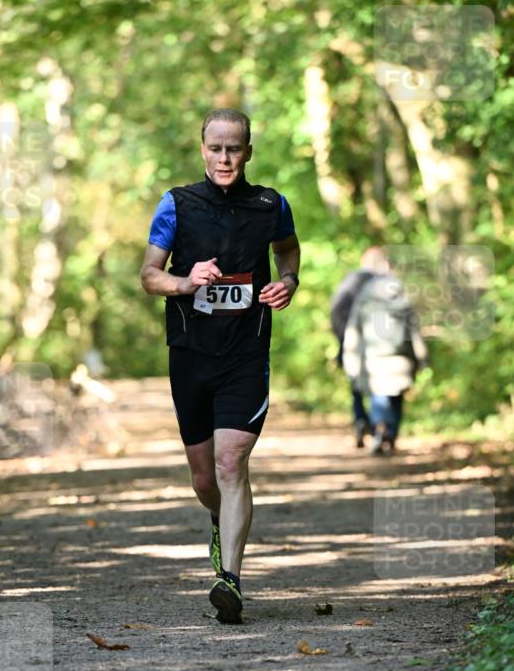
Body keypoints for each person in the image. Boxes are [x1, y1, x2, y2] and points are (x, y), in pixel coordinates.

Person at [140, 109, 300, 624]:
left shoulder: (270, 204)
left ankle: (229, 579)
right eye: (216, 148)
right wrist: (186, 281)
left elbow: (288, 253)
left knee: (233, 463)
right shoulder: (177, 204)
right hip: (190, 353)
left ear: (249, 151)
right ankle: (217, 517)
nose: (225, 158)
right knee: (205, 476)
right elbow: (148, 276)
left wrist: (288, 282)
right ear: (202, 149)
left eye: (235, 148)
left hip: (246, 352)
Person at [342, 263, 427, 455]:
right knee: (396, 397)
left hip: (373, 359)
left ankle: (379, 428)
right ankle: (392, 434)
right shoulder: (403, 299)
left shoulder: (364, 299)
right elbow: (414, 333)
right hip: (401, 359)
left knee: (378, 396)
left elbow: (353, 332)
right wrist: (422, 358)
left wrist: (350, 358)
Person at [330, 247, 390, 447]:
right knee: (378, 386)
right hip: (376, 345)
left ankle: (360, 419)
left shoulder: (348, 282)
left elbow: (335, 313)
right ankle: (376, 426)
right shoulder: (381, 284)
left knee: (356, 386)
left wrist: (343, 340)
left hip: (350, 344)